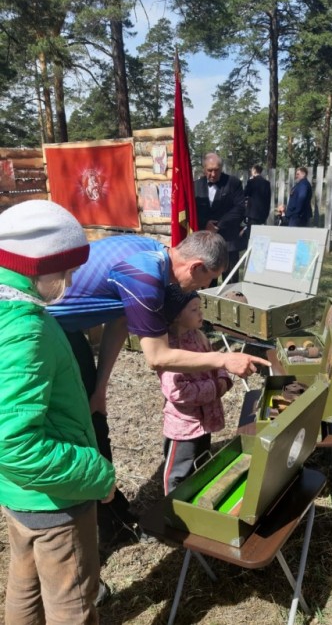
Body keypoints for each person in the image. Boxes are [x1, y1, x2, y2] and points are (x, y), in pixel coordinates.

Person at [47, 230, 269, 543]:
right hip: (42, 326)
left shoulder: (157, 256)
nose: (202, 289)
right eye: (207, 280)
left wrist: (99, 389)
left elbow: (120, 319)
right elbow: (157, 357)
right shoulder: (145, 277)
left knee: (94, 417)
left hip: (63, 328)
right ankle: (101, 522)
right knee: (79, 427)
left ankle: (111, 510)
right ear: (195, 266)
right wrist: (224, 359)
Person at [0, 199, 116, 624]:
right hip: (57, 501)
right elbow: (13, 443)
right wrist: (95, 472)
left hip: (19, 494)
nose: (69, 282)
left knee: (25, 586)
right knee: (73, 603)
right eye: (65, 271)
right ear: (35, 266)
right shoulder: (24, 329)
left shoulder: (9, 307)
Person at [159, 284, 233, 494]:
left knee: (201, 461)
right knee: (178, 472)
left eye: (200, 308)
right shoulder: (169, 349)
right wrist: (215, 387)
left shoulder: (199, 337)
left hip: (205, 419)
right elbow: (177, 391)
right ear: (176, 316)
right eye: (194, 310)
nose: (200, 313)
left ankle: (196, 501)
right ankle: (173, 505)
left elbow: (217, 361)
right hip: (184, 425)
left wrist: (223, 378)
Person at [194, 153, 245, 283]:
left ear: (221, 168)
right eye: (209, 170)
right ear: (204, 169)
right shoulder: (196, 186)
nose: (213, 174)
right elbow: (193, 211)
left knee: (230, 282)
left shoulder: (233, 183)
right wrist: (205, 224)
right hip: (206, 244)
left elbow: (239, 208)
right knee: (207, 281)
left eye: (216, 170)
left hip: (229, 241)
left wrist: (218, 225)